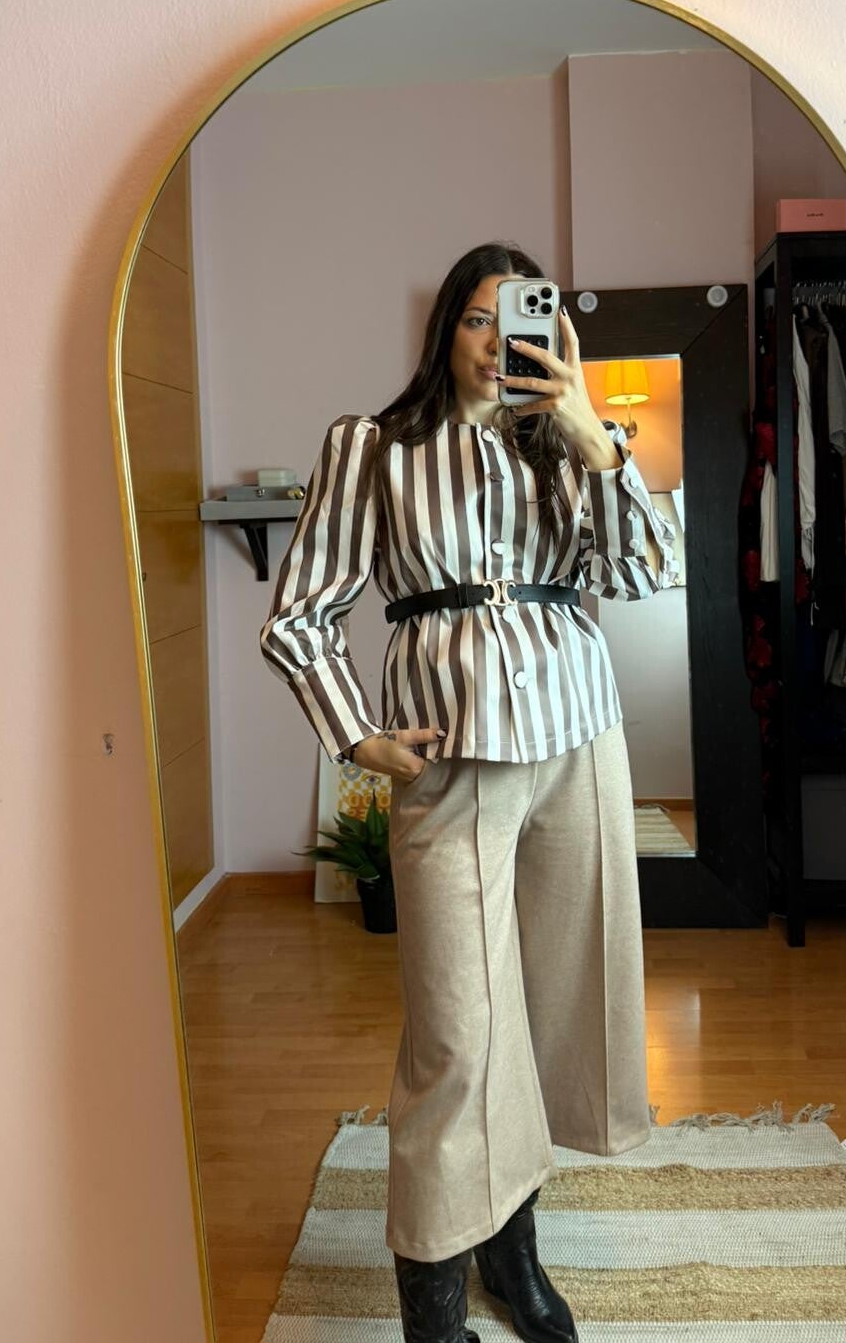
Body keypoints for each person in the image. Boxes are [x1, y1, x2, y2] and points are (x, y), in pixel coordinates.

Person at [259, 242, 679, 1343]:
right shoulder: (373, 446)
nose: (499, 342)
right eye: (479, 319)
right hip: (450, 758)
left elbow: (646, 571)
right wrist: (355, 733)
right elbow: (299, 613)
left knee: (556, 1004)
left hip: (577, 743)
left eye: (521, 318)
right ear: (445, 328)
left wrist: (590, 433)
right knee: (456, 1031)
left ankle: (511, 1248)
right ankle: (433, 1306)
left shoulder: (572, 446)